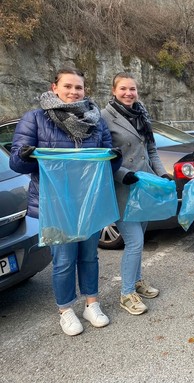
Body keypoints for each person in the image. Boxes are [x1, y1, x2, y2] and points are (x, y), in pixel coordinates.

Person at [9, 67, 122, 336]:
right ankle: (66, 309)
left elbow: (108, 164)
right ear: (55, 87)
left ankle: (91, 303)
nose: (73, 92)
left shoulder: (96, 121)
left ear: (85, 90)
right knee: (63, 260)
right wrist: (25, 155)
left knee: (89, 256)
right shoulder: (36, 119)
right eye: (68, 86)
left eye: (78, 88)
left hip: (88, 201)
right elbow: (16, 163)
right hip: (55, 202)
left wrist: (114, 157)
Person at [101, 72, 171, 315]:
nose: (128, 93)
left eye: (132, 89)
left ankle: (137, 281)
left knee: (140, 239)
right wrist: (122, 174)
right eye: (123, 89)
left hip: (144, 186)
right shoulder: (104, 117)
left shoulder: (141, 114)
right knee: (134, 242)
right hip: (123, 187)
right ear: (114, 90)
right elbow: (104, 155)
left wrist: (161, 174)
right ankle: (126, 293)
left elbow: (151, 149)